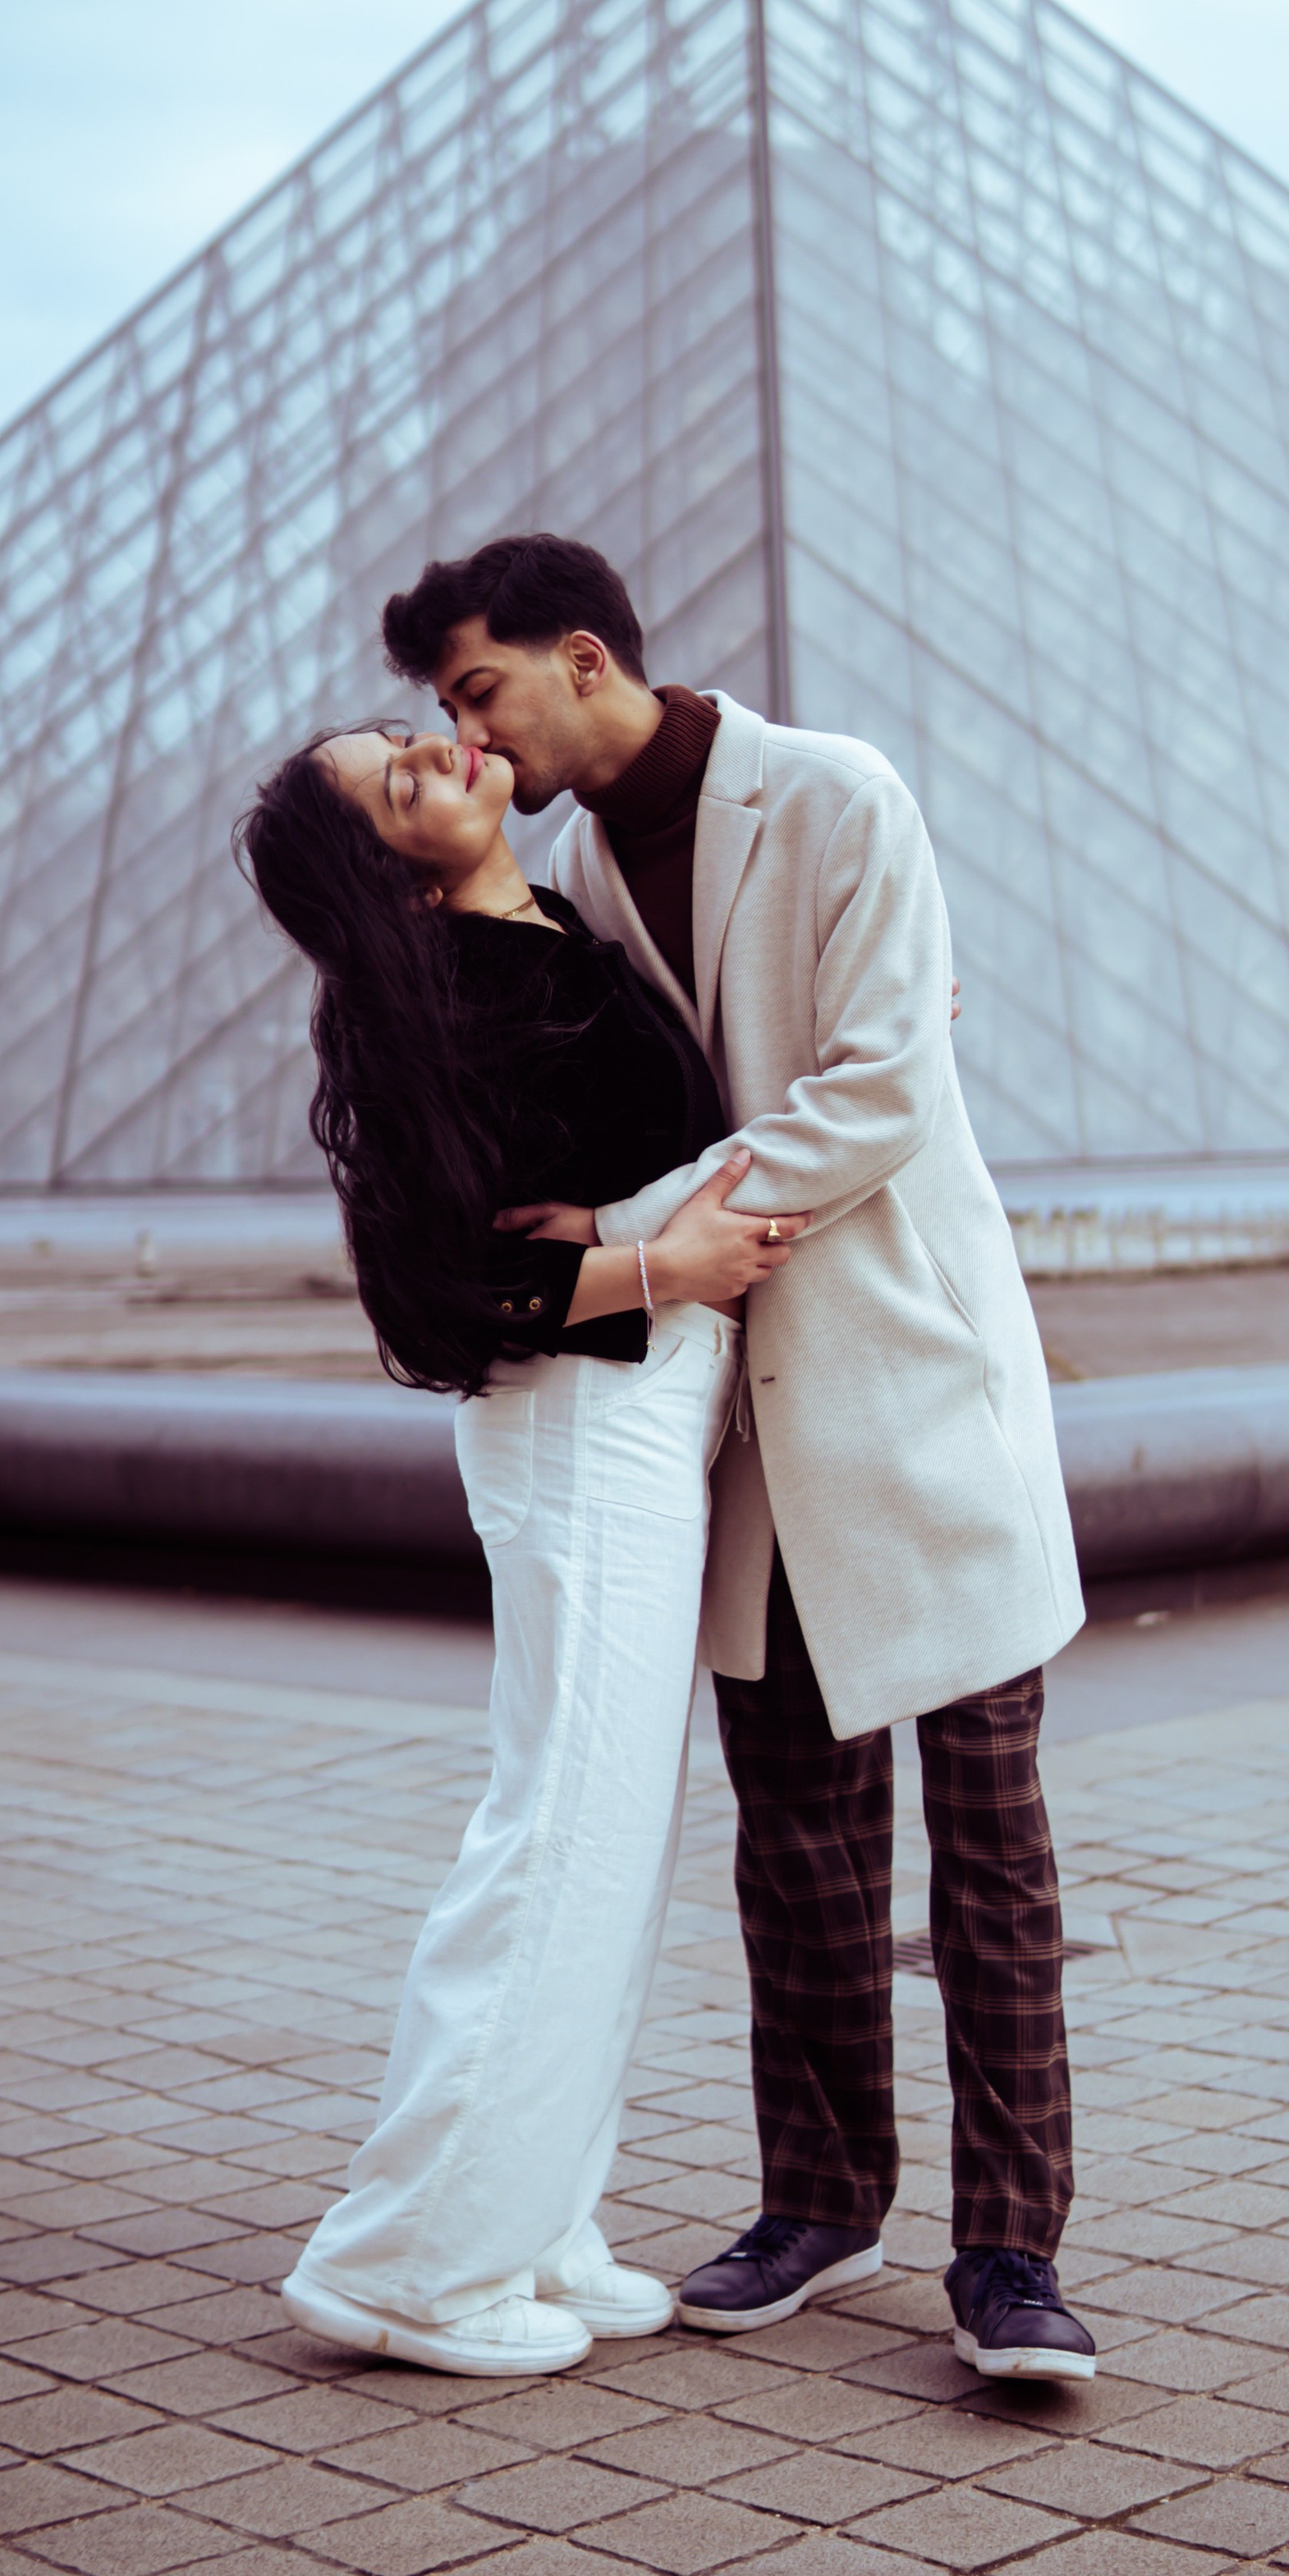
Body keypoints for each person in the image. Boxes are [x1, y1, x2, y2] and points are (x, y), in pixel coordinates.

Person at [383, 530, 1099, 2383]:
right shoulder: (564, 873)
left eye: (475, 690)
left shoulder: (835, 794)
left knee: (991, 1845)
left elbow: (877, 1088)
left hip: (902, 1381)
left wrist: (637, 1229)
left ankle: (1010, 2257)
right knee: (794, 1845)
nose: (463, 732)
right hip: (731, 1424)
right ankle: (820, 2201)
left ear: (583, 657)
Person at [236, 712, 804, 2377]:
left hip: (636, 1424)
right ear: (386, 881)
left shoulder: (554, 925)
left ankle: (536, 2215)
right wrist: (662, 1269)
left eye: (415, 740)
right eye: (399, 783)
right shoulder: (439, 1001)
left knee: (608, 1846)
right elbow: (437, 1296)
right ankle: (409, 2260)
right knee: (559, 1836)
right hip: (579, 1430)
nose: (445, 755)